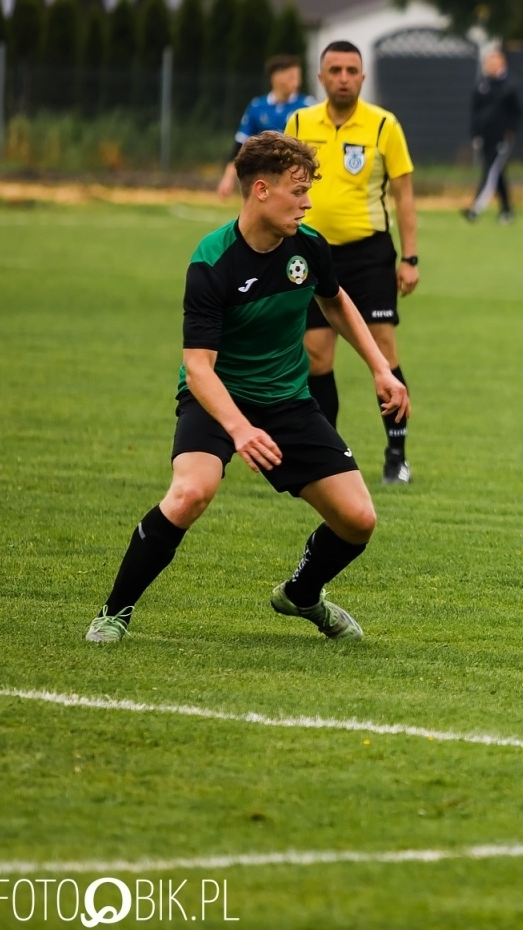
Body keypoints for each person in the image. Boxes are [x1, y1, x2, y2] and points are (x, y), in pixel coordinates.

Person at [86, 132, 409, 644]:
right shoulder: (212, 264)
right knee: (192, 491)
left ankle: (303, 595)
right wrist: (238, 429)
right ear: (261, 190)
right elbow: (198, 369)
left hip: (287, 400)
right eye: (297, 191)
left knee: (358, 520)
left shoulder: (308, 246)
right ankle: (114, 611)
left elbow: (336, 300)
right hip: (217, 397)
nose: (307, 203)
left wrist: (379, 368)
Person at [285, 40, 420, 486]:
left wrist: (410, 257)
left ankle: (396, 456)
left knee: (382, 350)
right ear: (320, 77)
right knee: (317, 355)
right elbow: (284, 184)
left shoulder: (384, 125)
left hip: (369, 255)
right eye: (335, 70)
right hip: (309, 252)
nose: (343, 77)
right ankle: (330, 454)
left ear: (363, 78)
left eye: (351, 70)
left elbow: (404, 196)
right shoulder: (300, 122)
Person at [216, 55, 318, 198]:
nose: (297, 82)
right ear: (276, 78)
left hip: (297, 178)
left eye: (298, 77)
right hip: (265, 179)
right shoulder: (257, 106)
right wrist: (228, 178)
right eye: (291, 77)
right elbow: (240, 144)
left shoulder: (308, 106)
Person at [463, 48, 521, 225]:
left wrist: (509, 132)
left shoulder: (509, 87)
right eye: (489, 62)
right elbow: (475, 112)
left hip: (501, 138)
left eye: (495, 62)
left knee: (490, 171)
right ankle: (507, 211)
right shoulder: (482, 86)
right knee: (497, 173)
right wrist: (475, 134)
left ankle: (475, 208)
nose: (491, 66)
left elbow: (517, 112)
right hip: (485, 137)